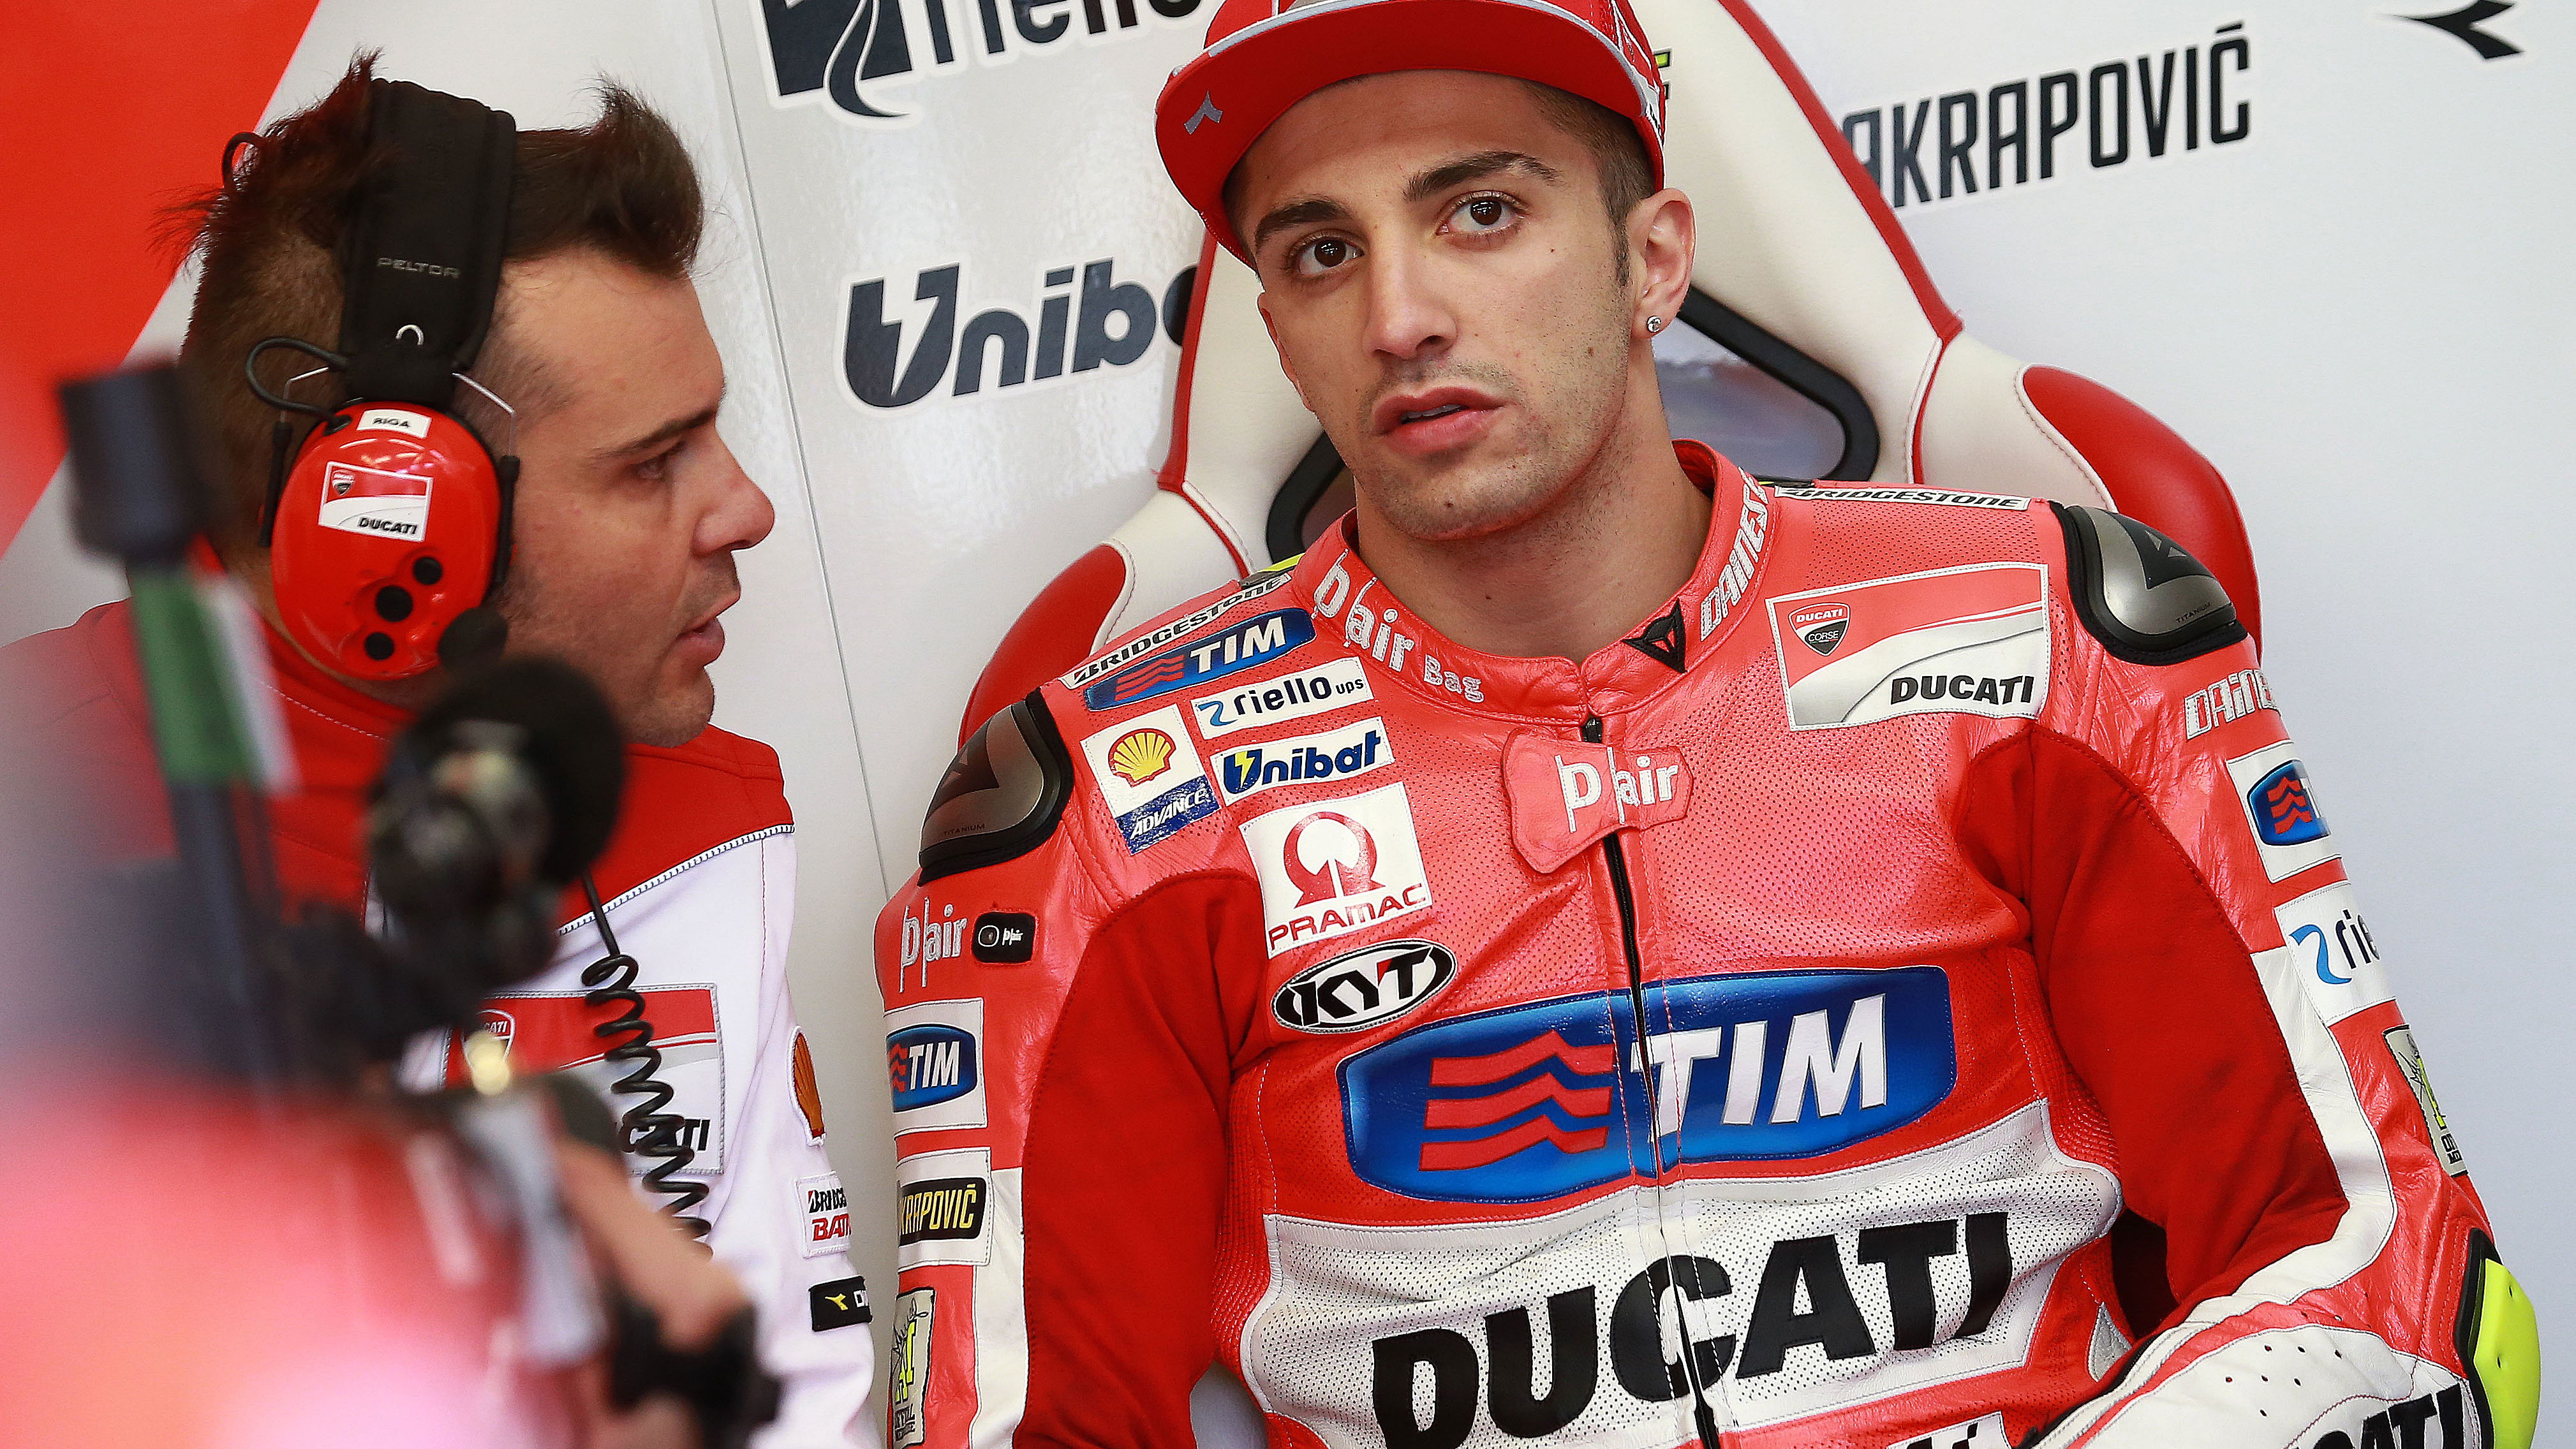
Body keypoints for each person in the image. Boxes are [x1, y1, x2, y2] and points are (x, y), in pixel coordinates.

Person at [871, 0, 2540, 1445]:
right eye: (1322, 252)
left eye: (1479, 212)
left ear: (1652, 258)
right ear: (1278, 335)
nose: (1399, 316)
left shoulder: (2048, 636)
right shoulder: (1100, 805)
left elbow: (2392, 1272)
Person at [4, 57, 875, 1448]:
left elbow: (801, 1390)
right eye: (654, 461)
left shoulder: (703, 817)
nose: (747, 506)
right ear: (398, 523)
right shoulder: (32, 833)